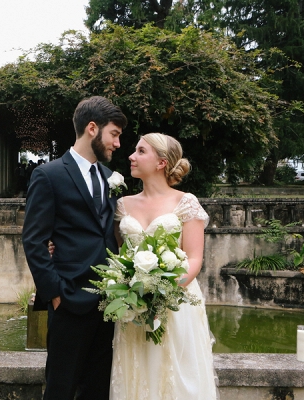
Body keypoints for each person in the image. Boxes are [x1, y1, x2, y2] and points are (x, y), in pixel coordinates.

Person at [22, 96, 128, 400]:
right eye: (114, 134)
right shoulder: (49, 175)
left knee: (97, 390)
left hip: (108, 304)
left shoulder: (111, 178)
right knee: (60, 389)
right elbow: (34, 240)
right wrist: (55, 294)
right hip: (68, 301)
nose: (118, 143)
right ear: (92, 128)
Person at [110, 133, 218, 399]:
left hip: (176, 305)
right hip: (134, 306)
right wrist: (135, 293)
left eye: (140, 151)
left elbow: (194, 258)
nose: (131, 156)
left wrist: (161, 294)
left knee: (178, 377)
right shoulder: (122, 206)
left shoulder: (186, 202)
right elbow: (119, 254)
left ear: (160, 162)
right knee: (137, 372)